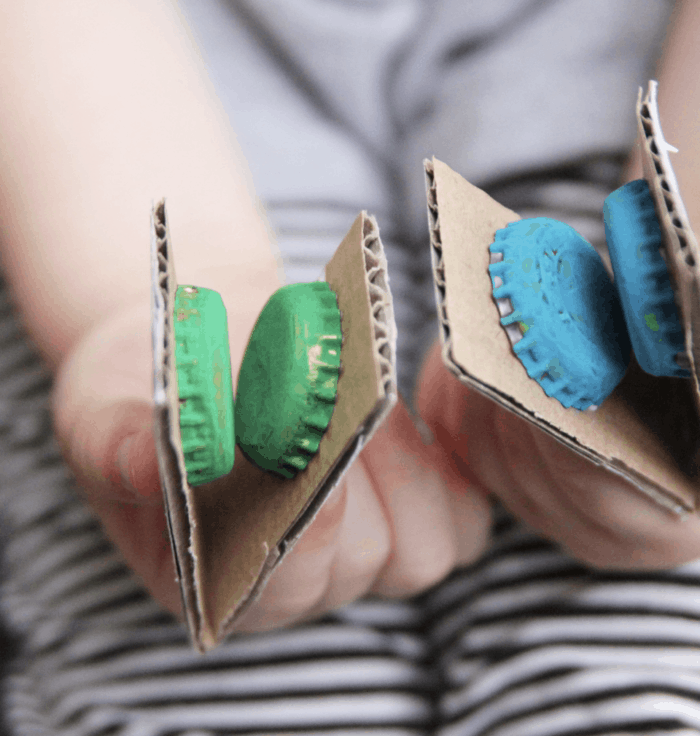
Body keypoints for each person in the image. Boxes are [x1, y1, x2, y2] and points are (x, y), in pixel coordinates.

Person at [1, 0, 700, 733]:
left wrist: (680, 307)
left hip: (626, 149)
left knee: (639, 663)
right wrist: (128, 302)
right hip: (139, 167)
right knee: (207, 647)